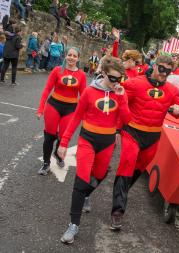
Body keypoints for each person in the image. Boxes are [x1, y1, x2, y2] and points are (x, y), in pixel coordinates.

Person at [58, 56, 131, 244]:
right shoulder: (90, 92)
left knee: (99, 174)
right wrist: (64, 143)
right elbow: (76, 118)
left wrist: (122, 98)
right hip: (87, 139)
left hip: (107, 142)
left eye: (119, 79)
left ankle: (87, 194)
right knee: (81, 179)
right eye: (113, 78)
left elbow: (127, 119)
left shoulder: (121, 93)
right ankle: (73, 225)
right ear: (104, 74)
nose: (116, 83)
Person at [110, 55, 179, 230]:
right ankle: (117, 211)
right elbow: (121, 105)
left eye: (168, 70)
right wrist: (117, 130)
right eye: (162, 68)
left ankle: (122, 191)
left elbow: (177, 106)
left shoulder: (172, 90)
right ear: (155, 66)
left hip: (153, 137)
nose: (164, 73)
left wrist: (178, 108)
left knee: (137, 170)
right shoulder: (136, 83)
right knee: (126, 166)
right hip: (132, 132)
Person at [36, 47, 87, 176]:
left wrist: (86, 116)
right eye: (69, 55)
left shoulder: (81, 74)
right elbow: (47, 90)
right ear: (65, 56)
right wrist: (40, 108)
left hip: (71, 109)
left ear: (78, 58)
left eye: (74, 56)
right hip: (54, 105)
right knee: (49, 136)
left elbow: (84, 97)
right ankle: (46, 163)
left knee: (64, 136)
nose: (71, 58)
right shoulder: (57, 70)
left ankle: (58, 154)